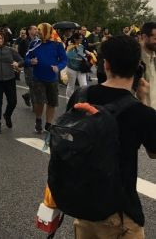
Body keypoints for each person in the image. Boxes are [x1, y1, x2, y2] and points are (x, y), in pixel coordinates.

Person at [67, 35, 156, 238]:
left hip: (84, 208)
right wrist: (143, 100)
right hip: (120, 213)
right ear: (137, 66)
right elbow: (153, 152)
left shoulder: (81, 95)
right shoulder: (142, 113)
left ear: (105, 64)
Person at [25, 23, 67, 134]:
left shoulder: (57, 44)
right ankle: (38, 120)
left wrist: (58, 67)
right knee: (39, 102)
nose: (38, 32)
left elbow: (64, 59)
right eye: (38, 30)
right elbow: (26, 58)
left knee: (52, 103)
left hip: (52, 79)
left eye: (40, 30)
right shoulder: (34, 43)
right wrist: (31, 61)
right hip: (38, 78)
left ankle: (48, 124)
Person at [65, 32, 91, 98]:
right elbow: (69, 57)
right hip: (71, 69)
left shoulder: (81, 46)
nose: (82, 40)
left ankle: (83, 100)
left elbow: (82, 53)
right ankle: (69, 100)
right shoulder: (70, 47)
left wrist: (87, 54)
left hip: (81, 69)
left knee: (84, 85)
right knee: (71, 85)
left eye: (82, 38)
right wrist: (81, 58)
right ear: (75, 39)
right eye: (80, 38)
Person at [140, 21, 156, 109]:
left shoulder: (154, 56)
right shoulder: (133, 58)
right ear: (144, 37)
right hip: (144, 112)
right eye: (155, 39)